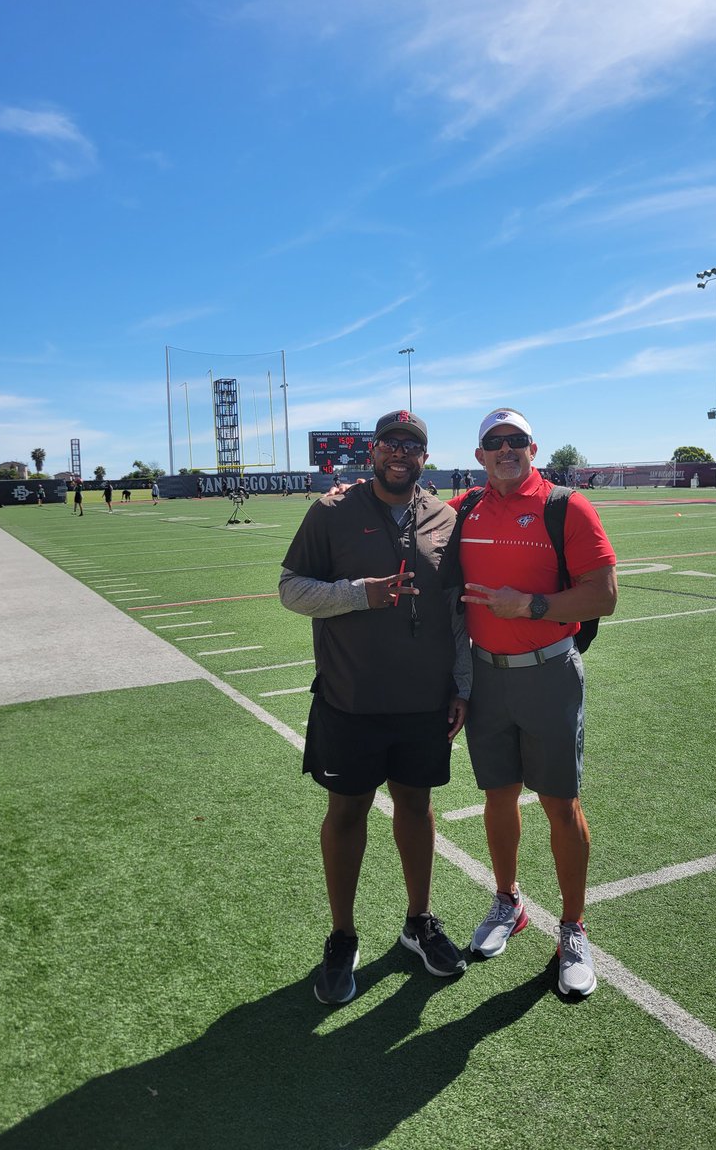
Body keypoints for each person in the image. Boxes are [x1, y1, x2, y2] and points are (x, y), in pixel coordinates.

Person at [279, 409, 471, 1005]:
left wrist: (461, 685)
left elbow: (457, 611)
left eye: (412, 446)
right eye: (390, 442)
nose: (400, 453)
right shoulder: (332, 511)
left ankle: (419, 922)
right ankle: (342, 937)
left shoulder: (444, 516)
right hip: (351, 697)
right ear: (373, 451)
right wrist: (361, 595)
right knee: (347, 812)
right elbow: (290, 588)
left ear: (424, 456)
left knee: (417, 807)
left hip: (422, 701)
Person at [448, 408, 617, 998]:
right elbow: (410, 526)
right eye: (494, 443)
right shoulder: (465, 509)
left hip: (548, 673)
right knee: (498, 796)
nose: (505, 450)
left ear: (532, 447)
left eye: (515, 440)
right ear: (480, 456)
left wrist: (532, 606)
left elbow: (604, 596)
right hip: (487, 681)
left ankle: (573, 928)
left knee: (559, 803)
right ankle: (508, 902)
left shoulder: (564, 506)